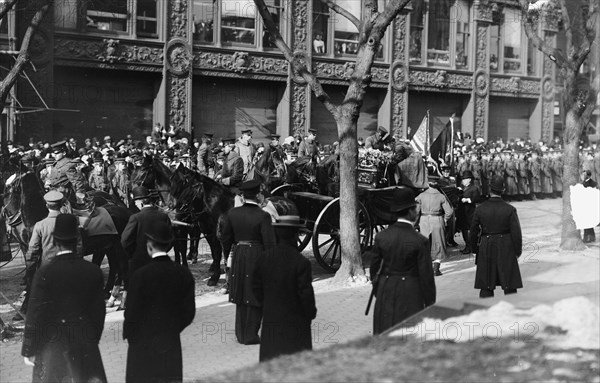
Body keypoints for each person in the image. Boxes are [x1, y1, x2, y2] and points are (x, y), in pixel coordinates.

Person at [22, 214, 107, 383]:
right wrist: (91, 339)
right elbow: (99, 313)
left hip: (53, 346)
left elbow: (35, 313)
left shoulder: (44, 273)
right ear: (77, 240)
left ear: (54, 240)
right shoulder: (93, 271)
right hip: (85, 344)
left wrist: (29, 348)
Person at [124, 220, 195, 383]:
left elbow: (131, 312)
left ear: (149, 245)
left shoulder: (140, 275)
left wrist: (131, 335)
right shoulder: (182, 273)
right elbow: (188, 312)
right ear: (169, 245)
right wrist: (172, 328)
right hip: (169, 341)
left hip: (141, 344)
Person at [367, 188, 436, 335]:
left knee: (385, 336)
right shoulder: (420, 241)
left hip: (386, 291)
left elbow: (374, 270)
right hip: (412, 294)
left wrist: (380, 291)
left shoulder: (382, 237)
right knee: (409, 338)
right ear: (411, 211)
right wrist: (430, 302)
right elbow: (426, 277)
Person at [253, 215, 317, 362]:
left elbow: (255, 288)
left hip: (271, 320)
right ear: (296, 235)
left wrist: (266, 306)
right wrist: (310, 314)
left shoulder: (264, 258)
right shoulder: (301, 262)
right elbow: (306, 294)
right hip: (296, 323)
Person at [220, 179, 275, 345]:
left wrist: (228, 258)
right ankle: (251, 334)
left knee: (240, 291)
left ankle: (240, 333)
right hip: (256, 254)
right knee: (256, 292)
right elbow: (269, 243)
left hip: (238, 253)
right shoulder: (263, 216)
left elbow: (225, 238)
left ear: (242, 196)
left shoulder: (232, 214)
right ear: (258, 195)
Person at [470, 176, 523, 298]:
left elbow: (473, 231)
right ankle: (512, 311)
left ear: (489, 190)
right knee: (509, 283)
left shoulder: (480, 209)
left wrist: (475, 250)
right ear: (503, 190)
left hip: (486, 246)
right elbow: (516, 233)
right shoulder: (510, 209)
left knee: (486, 284)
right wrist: (517, 251)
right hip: (506, 246)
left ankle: (485, 312)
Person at [121, 186, 171, 288]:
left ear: (141, 202)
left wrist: (132, 255)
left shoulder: (135, 218)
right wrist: (162, 251)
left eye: (135, 202)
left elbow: (124, 241)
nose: (135, 204)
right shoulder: (163, 216)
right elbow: (170, 238)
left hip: (138, 262)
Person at [416, 183, 453, 276]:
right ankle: (436, 270)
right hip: (437, 220)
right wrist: (445, 219)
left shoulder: (421, 196)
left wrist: (416, 223)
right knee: (438, 244)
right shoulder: (441, 196)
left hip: (424, 221)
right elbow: (449, 211)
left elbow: (416, 211)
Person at [457, 170, 480, 254]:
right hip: (463, 212)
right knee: (464, 230)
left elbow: (477, 198)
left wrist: (467, 200)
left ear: (469, 179)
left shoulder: (474, 188)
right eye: (462, 179)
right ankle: (467, 245)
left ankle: (470, 246)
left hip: (470, 212)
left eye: (464, 179)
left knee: (470, 230)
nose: (463, 180)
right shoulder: (462, 188)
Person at [581, 169, 598, 243]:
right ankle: (591, 237)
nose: (582, 176)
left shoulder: (591, 183)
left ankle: (587, 238)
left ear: (588, 175)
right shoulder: (585, 182)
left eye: (584, 175)